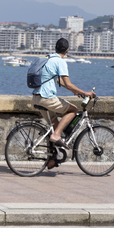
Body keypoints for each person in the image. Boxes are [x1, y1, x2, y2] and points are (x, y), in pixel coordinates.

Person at [32, 38, 97, 169]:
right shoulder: (60, 62)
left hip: (36, 97)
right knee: (73, 110)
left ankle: (52, 159)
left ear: (55, 48)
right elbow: (67, 83)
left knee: (54, 126)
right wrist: (85, 93)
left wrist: (75, 92)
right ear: (67, 50)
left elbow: (58, 81)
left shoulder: (48, 59)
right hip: (47, 98)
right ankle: (56, 136)